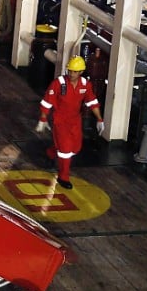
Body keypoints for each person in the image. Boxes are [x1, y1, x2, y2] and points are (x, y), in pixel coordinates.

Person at [35, 55, 104, 190]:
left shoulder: (85, 85)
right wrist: (43, 119)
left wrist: (100, 119)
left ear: (81, 72)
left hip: (75, 121)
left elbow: (92, 102)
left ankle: (51, 152)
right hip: (60, 120)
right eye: (70, 70)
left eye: (75, 71)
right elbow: (47, 102)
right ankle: (63, 177)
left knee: (75, 148)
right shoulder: (58, 84)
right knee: (66, 150)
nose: (71, 74)